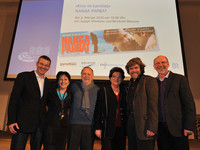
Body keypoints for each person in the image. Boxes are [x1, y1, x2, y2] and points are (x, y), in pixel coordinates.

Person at [7, 55, 51, 150]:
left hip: (39, 125)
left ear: (49, 67)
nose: (43, 67)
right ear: (37, 63)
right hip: (21, 123)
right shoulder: (23, 76)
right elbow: (14, 99)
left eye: (46, 65)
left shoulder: (48, 83)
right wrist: (11, 121)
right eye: (41, 64)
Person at [153, 55, 196, 150]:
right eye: (157, 63)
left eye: (163, 62)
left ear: (168, 64)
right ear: (154, 67)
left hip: (178, 128)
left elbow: (189, 104)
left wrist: (189, 126)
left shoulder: (180, 79)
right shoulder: (152, 82)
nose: (160, 65)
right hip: (160, 129)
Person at [125, 57, 158, 150]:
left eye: (136, 68)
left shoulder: (149, 80)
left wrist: (152, 127)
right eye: (131, 69)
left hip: (144, 125)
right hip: (132, 123)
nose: (133, 70)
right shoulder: (130, 83)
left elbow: (153, 106)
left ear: (141, 68)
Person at [94, 67, 127, 150]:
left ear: (122, 79)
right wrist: (97, 128)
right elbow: (98, 110)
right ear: (110, 78)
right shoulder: (104, 91)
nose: (117, 78)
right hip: (107, 128)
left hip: (121, 129)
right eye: (114, 76)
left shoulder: (125, 91)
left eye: (119, 76)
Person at [67, 67, 99, 150]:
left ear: (92, 76)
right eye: (84, 73)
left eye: (89, 74)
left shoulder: (97, 89)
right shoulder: (73, 86)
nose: (86, 76)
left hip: (89, 124)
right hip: (74, 123)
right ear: (81, 75)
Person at [43, 71, 72, 150]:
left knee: (61, 146)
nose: (63, 81)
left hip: (64, 125)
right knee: (49, 145)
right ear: (58, 81)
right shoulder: (51, 92)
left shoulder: (70, 94)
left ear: (69, 82)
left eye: (65, 79)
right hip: (51, 124)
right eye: (61, 79)